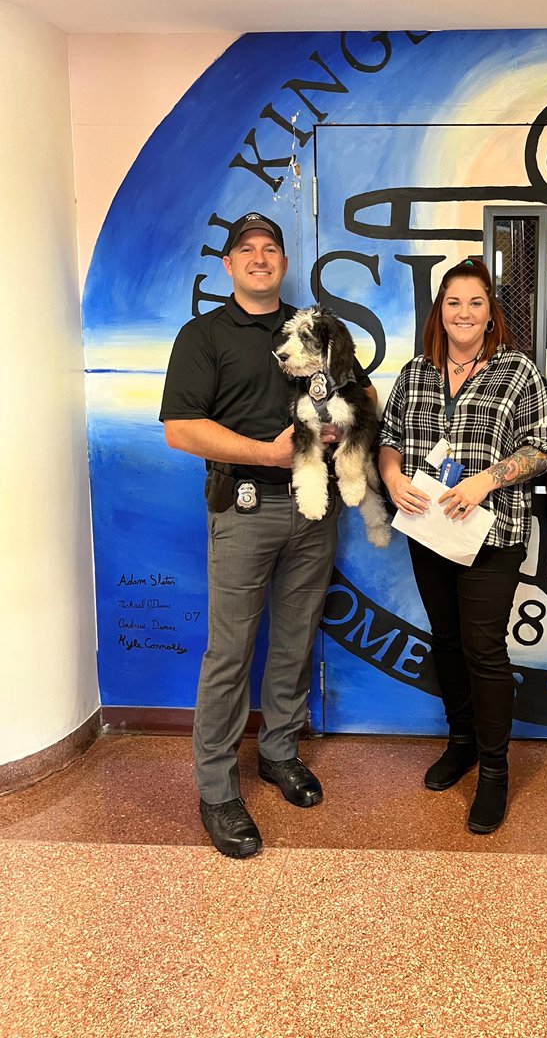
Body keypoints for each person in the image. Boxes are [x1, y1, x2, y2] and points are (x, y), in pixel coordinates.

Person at [160, 211, 374, 858]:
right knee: (229, 652)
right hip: (245, 506)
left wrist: (343, 429)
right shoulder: (204, 335)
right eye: (246, 250)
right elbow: (180, 428)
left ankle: (280, 751)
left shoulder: (315, 329)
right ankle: (218, 790)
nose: (259, 257)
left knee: (294, 639)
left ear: (284, 261)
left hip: (316, 510)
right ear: (228, 265)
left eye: (270, 248)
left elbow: (362, 398)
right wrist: (266, 453)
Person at [378, 258, 547, 834]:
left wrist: (488, 479)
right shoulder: (415, 373)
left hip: (493, 533)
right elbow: (388, 439)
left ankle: (496, 772)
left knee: (483, 647)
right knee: (447, 640)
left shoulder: (518, 372)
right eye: (453, 302)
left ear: (490, 312)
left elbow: (545, 448)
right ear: (440, 312)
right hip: (428, 529)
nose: (464, 313)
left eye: (475, 303)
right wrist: (390, 477)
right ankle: (461, 743)